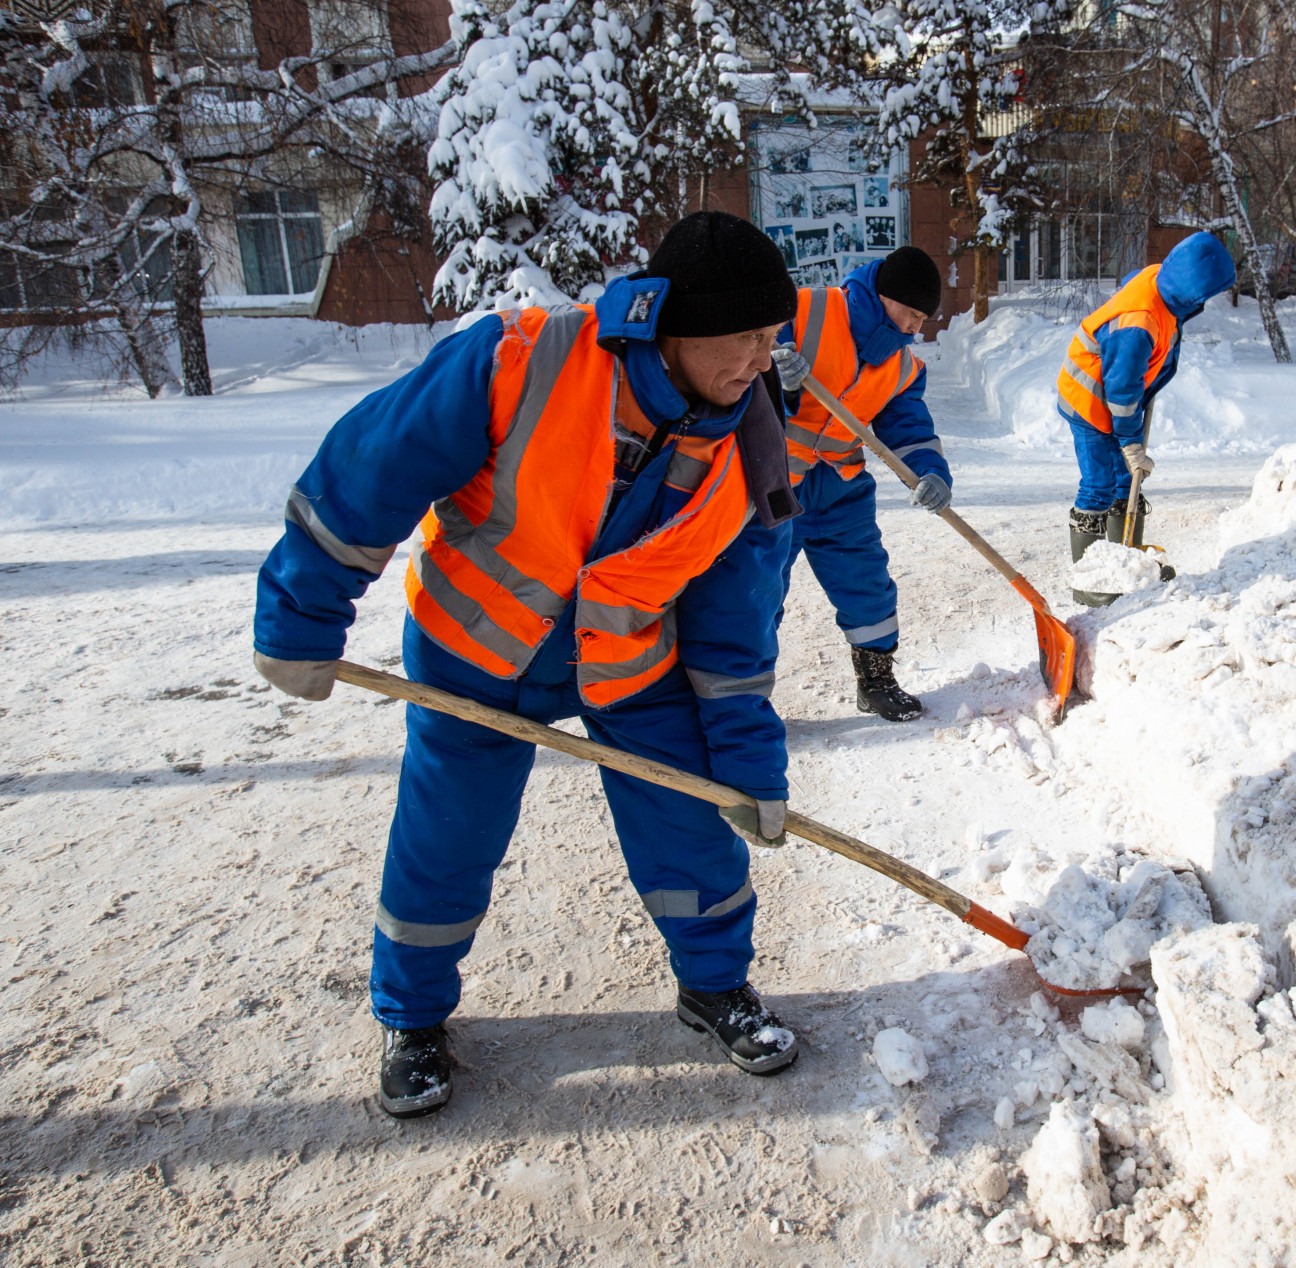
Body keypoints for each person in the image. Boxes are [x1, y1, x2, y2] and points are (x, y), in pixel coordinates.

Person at [251, 212, 809, 1120]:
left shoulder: (754, 445)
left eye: (771, 335)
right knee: (447, 836)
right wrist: (300, 615)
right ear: (676, 326)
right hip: (475, 649)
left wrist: (749, 766)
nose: (762, 357)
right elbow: (369, 467)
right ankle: (414, 1018)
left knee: (690, 816)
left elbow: (735, 630)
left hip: (626, 664)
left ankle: (715, 987)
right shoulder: (523, 362)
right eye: (744, 335)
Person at [771, 246, 950, 721]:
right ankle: (741, 700)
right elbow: (740, 376)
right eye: (911, 314)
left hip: (840, 486)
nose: (915, 328)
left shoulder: (903, 366)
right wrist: (776, 375)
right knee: (751, 593)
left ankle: (875, 681)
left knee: (866, 582)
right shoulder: (804, 311)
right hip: (772, 485)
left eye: (922, 319)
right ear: (886, 296)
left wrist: (931, 472)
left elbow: (908, 425)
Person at [1056, 232, 1237, 602]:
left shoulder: (1161, 282)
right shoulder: (1139, 323)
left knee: (1127, 480)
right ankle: (1090, 581)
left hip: (1116, 392)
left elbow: (1131, 282)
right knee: (1099, 484)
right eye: (1207, 294)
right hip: (1089, 397)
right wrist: (1130, 441)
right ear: (1192, 290)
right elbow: (1121, 390)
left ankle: (1126, 562)